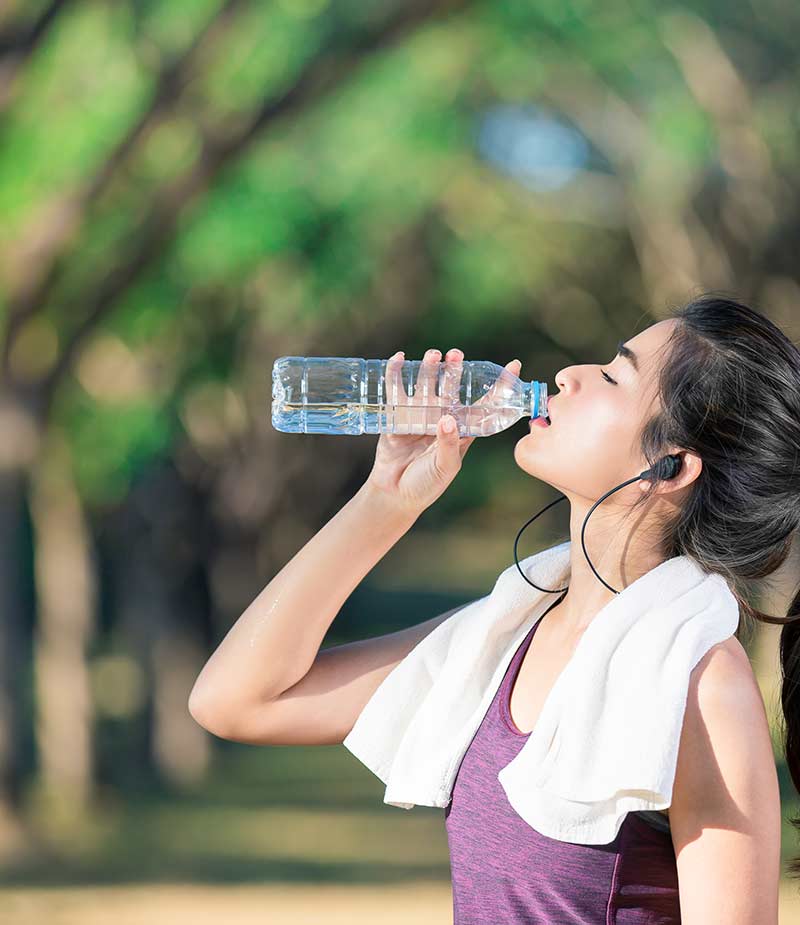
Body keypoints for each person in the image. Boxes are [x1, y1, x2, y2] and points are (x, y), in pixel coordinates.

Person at [189, 294, 793, 923]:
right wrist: (387, 500)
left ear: (668, 469)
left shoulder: (699, 681)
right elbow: (234, 701)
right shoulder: (501, 639)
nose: (568, 375)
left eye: (615, 376)